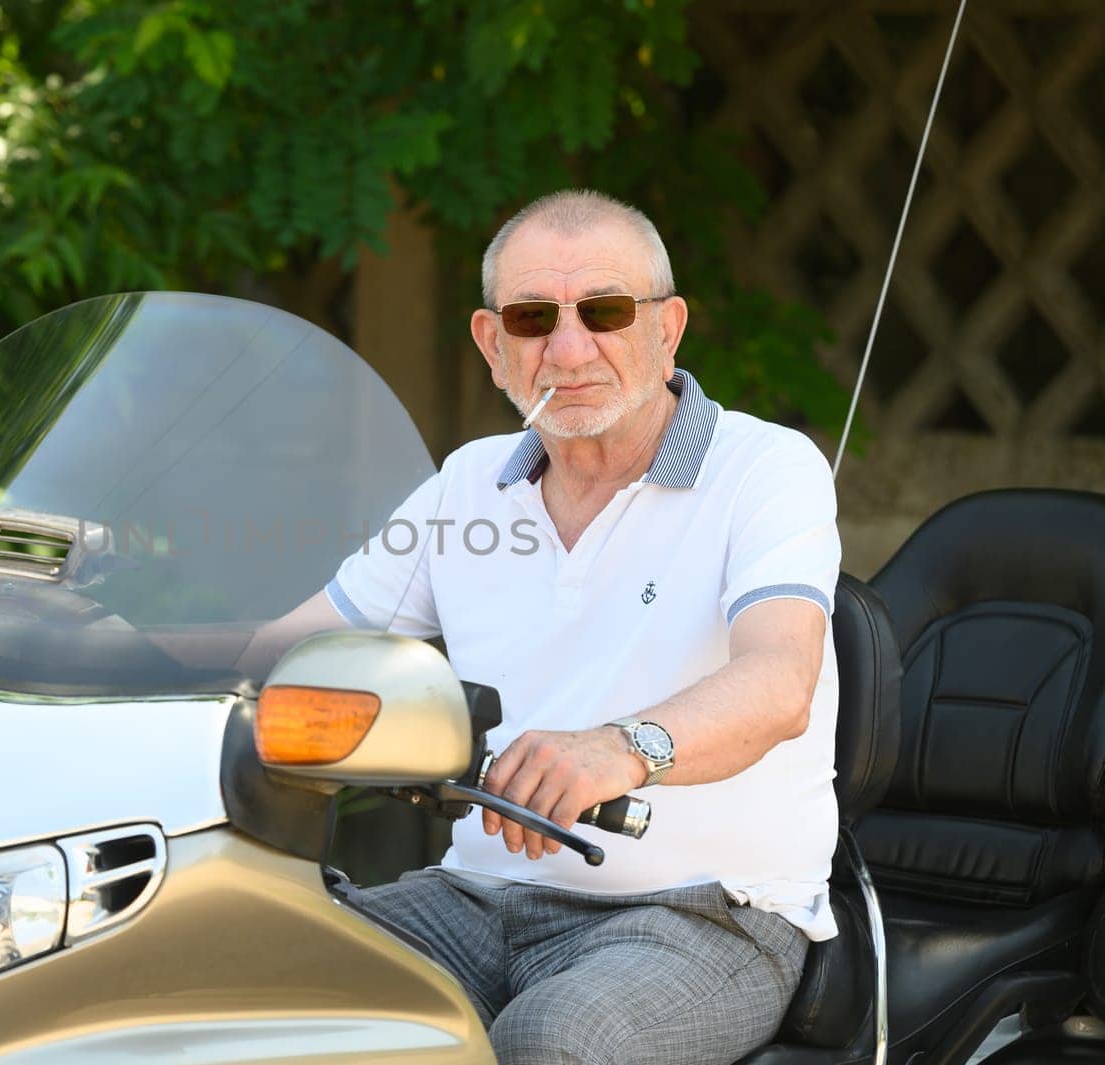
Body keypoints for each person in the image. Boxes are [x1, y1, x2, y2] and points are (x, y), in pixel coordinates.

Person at [249, 189, 839, 1065]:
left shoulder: (764, 467)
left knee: (551, 1043)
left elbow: (779, 682)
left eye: (604, 311)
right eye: (532, 318)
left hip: (705, 911)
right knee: (253, 982)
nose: (568, 349)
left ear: (668, 328)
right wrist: (103, 637)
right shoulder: (469, 483)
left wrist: (620, 746)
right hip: (474, 895)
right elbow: (294, 648)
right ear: (493, 345)